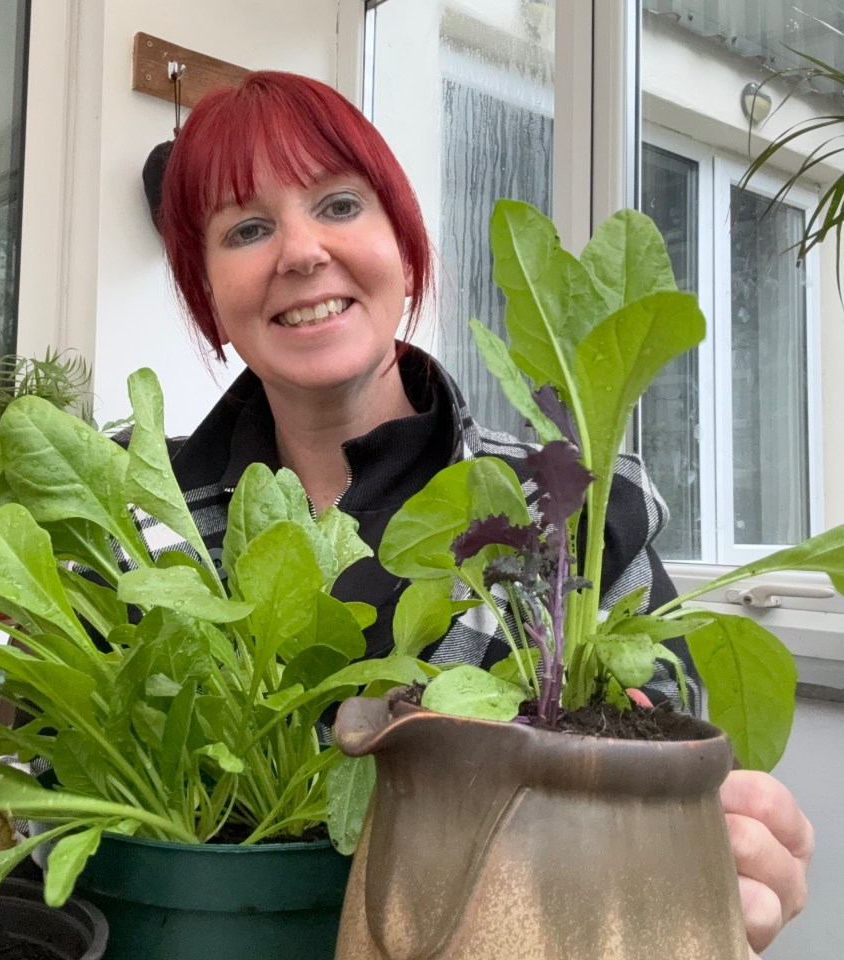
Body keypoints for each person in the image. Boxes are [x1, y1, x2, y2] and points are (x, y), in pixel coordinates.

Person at [154, 70, 810, 957]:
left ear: (405, 243)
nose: (302, 251)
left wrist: (716, 855)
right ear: (208, 292)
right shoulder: (138, 518)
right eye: (249, 228)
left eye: (341, 205)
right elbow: (31, 797)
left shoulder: (577, 504)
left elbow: (663, 736)